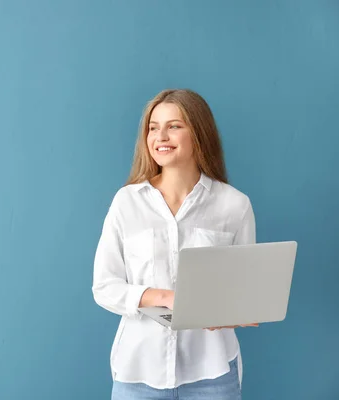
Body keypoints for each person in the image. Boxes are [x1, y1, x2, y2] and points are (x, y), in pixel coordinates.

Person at [92, 89, 258, 400]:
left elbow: (244, 294)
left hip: (213, 374)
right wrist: (163, 296)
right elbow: (104, 287)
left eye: (174, 126)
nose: (160, 136)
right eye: (153, 127)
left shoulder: (234, 206)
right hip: (138, 373)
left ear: (199, 132)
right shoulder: (126, 202)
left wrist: (234, 310)